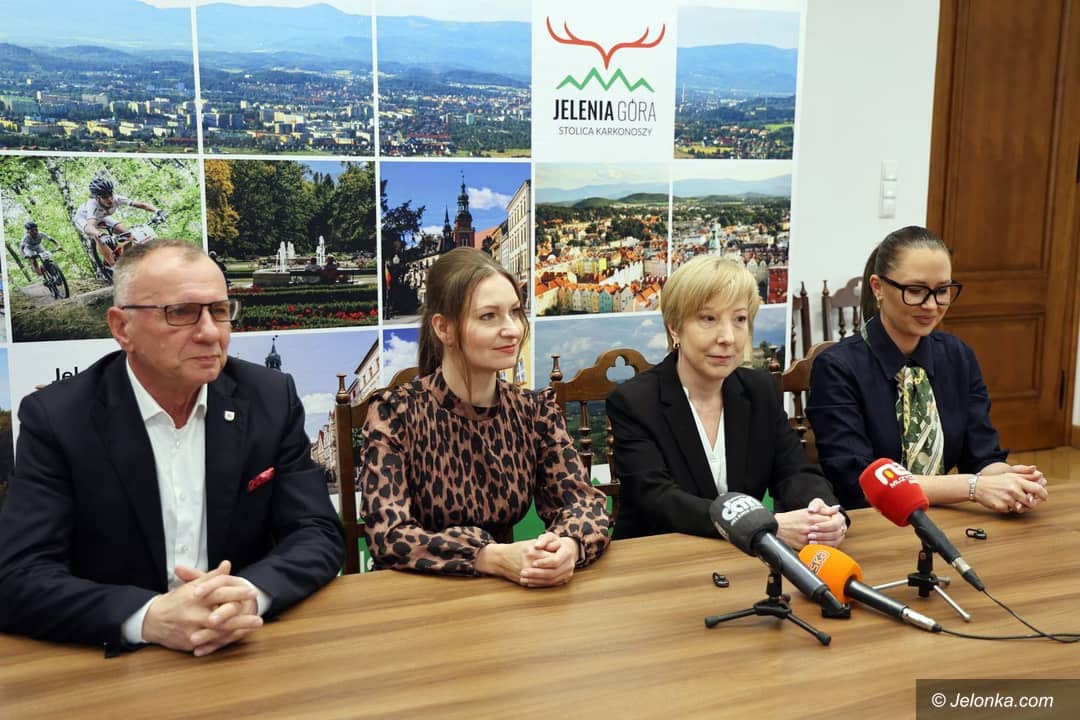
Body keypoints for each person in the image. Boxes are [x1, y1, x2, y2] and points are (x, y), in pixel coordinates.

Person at [0, 239, 343, 655]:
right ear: (122, 327)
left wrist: (250, 593)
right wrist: (148, 617)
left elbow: (317, 531)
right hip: (115, 663)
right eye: (180, 312)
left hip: (242, 645)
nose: (210, 332)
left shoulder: (270, 397)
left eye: (220, 311)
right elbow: (18, 574)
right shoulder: (58, 417)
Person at [360, 247, 610, 587]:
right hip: (416, 595)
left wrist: (568, 546)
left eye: (515, 312)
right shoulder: (395, 412)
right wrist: (489, 557)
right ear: (444, 328)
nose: (512, 329)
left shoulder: (534, 410)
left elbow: (585, 504)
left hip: (506, 593)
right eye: (489, 316)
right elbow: (389, 537)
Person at [606, 255, 848, 549]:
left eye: (740, 319)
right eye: (708, 319)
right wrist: (761, 526)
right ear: (674, 328)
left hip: (740, 559)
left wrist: (823, 514)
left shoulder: (759, 390)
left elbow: (795, 472)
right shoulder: (634, 401)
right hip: (660, 557)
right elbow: (658, 499)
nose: (728, 337)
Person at [806, 226, 1048, 514]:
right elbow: (857, 482)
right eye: (915, 291)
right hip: (872, 521)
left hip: (944, 516)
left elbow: (982, 456)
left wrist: (1012, 479)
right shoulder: (837, 367)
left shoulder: (958, 356)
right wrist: (973, 487)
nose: (931, 305)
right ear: (878, 287)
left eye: (942, 290)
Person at [73, 177, 160, 267]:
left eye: (110, 194)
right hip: (84, 219)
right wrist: (101, 234)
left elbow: (141, 205)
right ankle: (114, 266)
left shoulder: (117, 199)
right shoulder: (92, 205)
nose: (109, 199)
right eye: (105, 197)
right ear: (97, 198)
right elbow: (90, 226)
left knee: (128, 235)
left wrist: (157, 211)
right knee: (97, 237)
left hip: (102, 216)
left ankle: (125, 261)